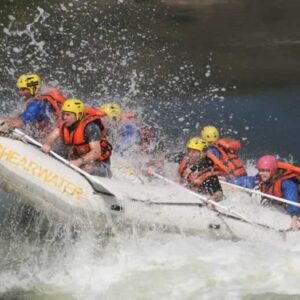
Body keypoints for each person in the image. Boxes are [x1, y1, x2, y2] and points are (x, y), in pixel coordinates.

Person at [41, 99, 112, 177]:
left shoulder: (90, 127)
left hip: (100, 164)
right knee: (55, 150)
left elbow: (96, 152)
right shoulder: (64, 123)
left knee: (87, 167)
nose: (64, 117)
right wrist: (47, 144)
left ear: (78, 115)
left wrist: (79, 161)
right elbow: (52, 136)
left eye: (68, 115)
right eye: (63, 114)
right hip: (78, 157)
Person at [0, 73, 66, 139]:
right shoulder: (40, 98)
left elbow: (19, 123)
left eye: (23, 89)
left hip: (52, 134)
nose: (20, 92)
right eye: (20, 89)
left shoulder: (36, 105)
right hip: (50, 128)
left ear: (33, 89)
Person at [255, 155, 300, 231]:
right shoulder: (264, 177)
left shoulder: (286, 182)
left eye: (265, 170)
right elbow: (250, 180)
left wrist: (294, 217)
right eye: (260, 170)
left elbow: (291, 199)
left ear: (272, 170)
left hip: (296, 207)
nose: (262, 173)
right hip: (282, 206)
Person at [178, 137, 223, 202]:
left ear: (203, 153)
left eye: (194, 152)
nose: (190, 155)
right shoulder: (184, 157)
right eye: (189, 151)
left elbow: (219, 193)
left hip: (197, 196)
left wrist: (212, 199)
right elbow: (164, 158)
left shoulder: (208, 170)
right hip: (182, 190)